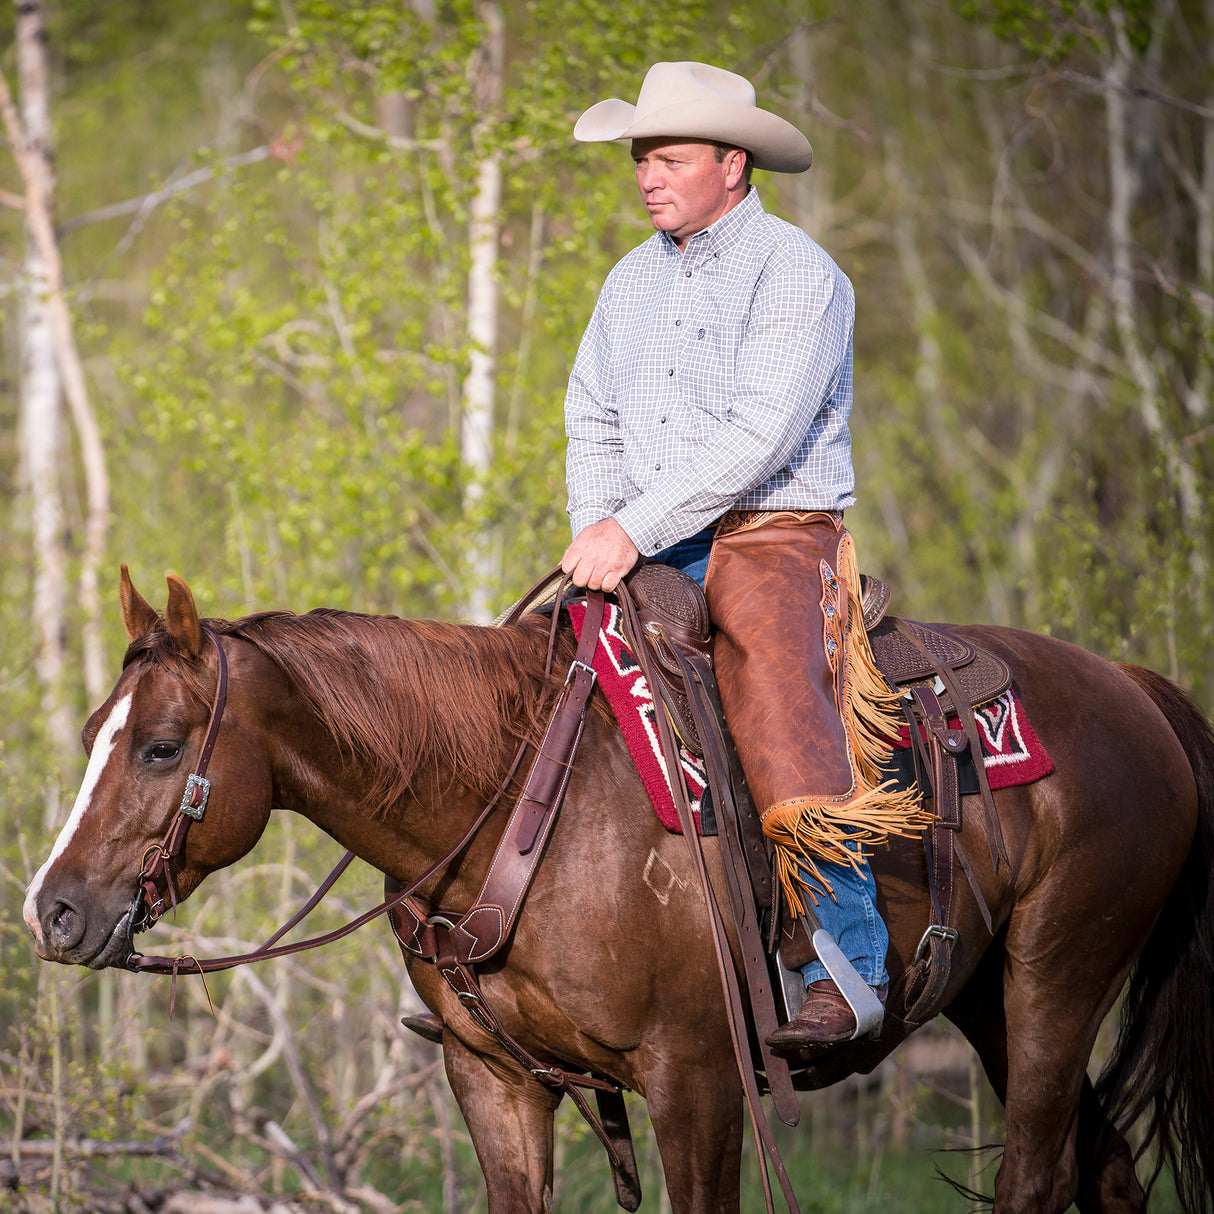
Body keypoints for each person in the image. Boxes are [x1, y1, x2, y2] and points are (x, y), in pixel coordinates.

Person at [561, 61, 927, 1050]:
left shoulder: (797, 273)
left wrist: (628, 529)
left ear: (731, 163)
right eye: (640, 155)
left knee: (773, 688)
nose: (646, 173)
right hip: (640, 531)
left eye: (667, 155)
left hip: (771, 530)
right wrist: (599, 527)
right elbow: (589, 409)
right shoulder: (627, 279)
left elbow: (757, 435)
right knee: (537, 675)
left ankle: (840, 964)